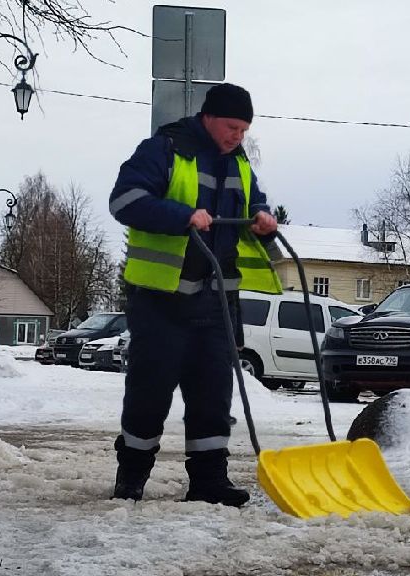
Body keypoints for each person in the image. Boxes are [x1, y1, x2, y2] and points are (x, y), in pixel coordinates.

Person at [108, 83, 282, 504]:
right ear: (209, 117)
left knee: (213, 394)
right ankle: (131, 477)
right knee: (149, 392)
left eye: (244, 130)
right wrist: (183, 215)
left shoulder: (239, 163)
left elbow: (254, 204)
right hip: (161, 301)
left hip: (216, 303)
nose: (238, 136)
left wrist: (262, 219)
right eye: (232, 127)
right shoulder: (165, 149)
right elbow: (124, 201)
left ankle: (209, 482)